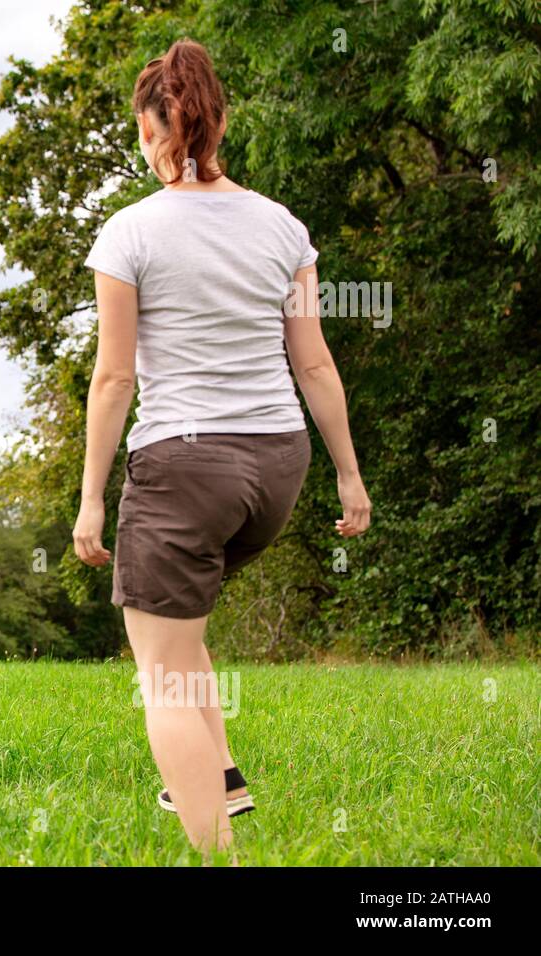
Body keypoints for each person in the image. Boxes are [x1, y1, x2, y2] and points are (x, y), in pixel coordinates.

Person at [72, 39, 372, 860]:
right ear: (221, 121)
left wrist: (93, 496)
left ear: (148, 132)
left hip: (184, 468)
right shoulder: (283, 227)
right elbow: (312, 361)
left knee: (160, 674)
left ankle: (216, 857)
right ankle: (223, 776)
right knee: (180, 624)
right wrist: (349, 476)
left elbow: (113, 379)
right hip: (277, 468)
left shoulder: (130, 232)